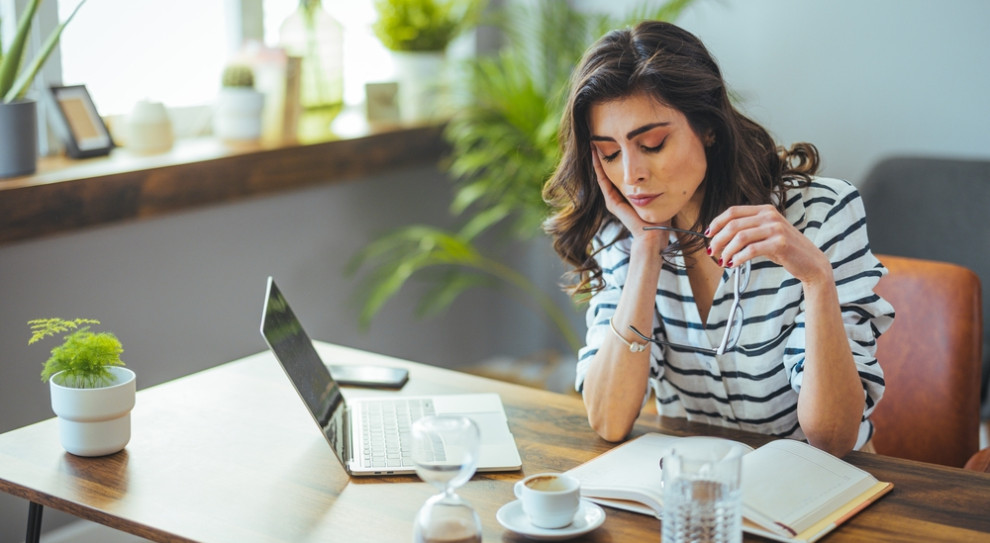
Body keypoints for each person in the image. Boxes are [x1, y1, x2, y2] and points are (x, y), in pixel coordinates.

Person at [542, 20, 893, 457]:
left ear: (708, 126)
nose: (631, 175)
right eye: (610, 153)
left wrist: (817, 279)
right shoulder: (621, 234)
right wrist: (646, 252)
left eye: (651, 144)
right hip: (699, 488)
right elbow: (608, 420)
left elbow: (833, 438)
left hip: (818, 484)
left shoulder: (821, 213)